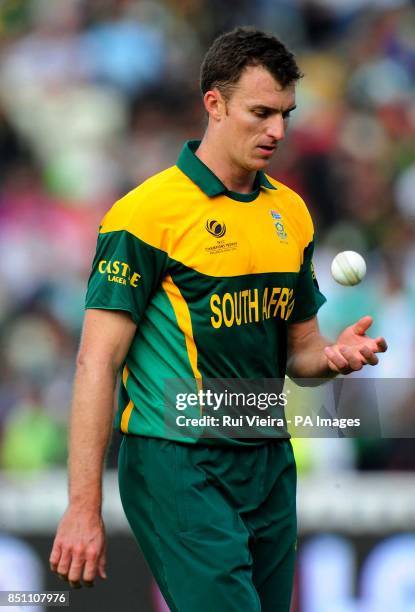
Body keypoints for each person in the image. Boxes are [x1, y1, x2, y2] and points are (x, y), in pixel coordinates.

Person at [49, 27, 387, 611]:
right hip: (177, 462)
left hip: (267, 459)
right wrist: (83, 507)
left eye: (286, 114)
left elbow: (299, 354)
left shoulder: (291, 213)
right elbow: (95, 361)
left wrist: (332, 358)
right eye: (261, 112)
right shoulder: (144, 216)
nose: (277, 131)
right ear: (215, 103)